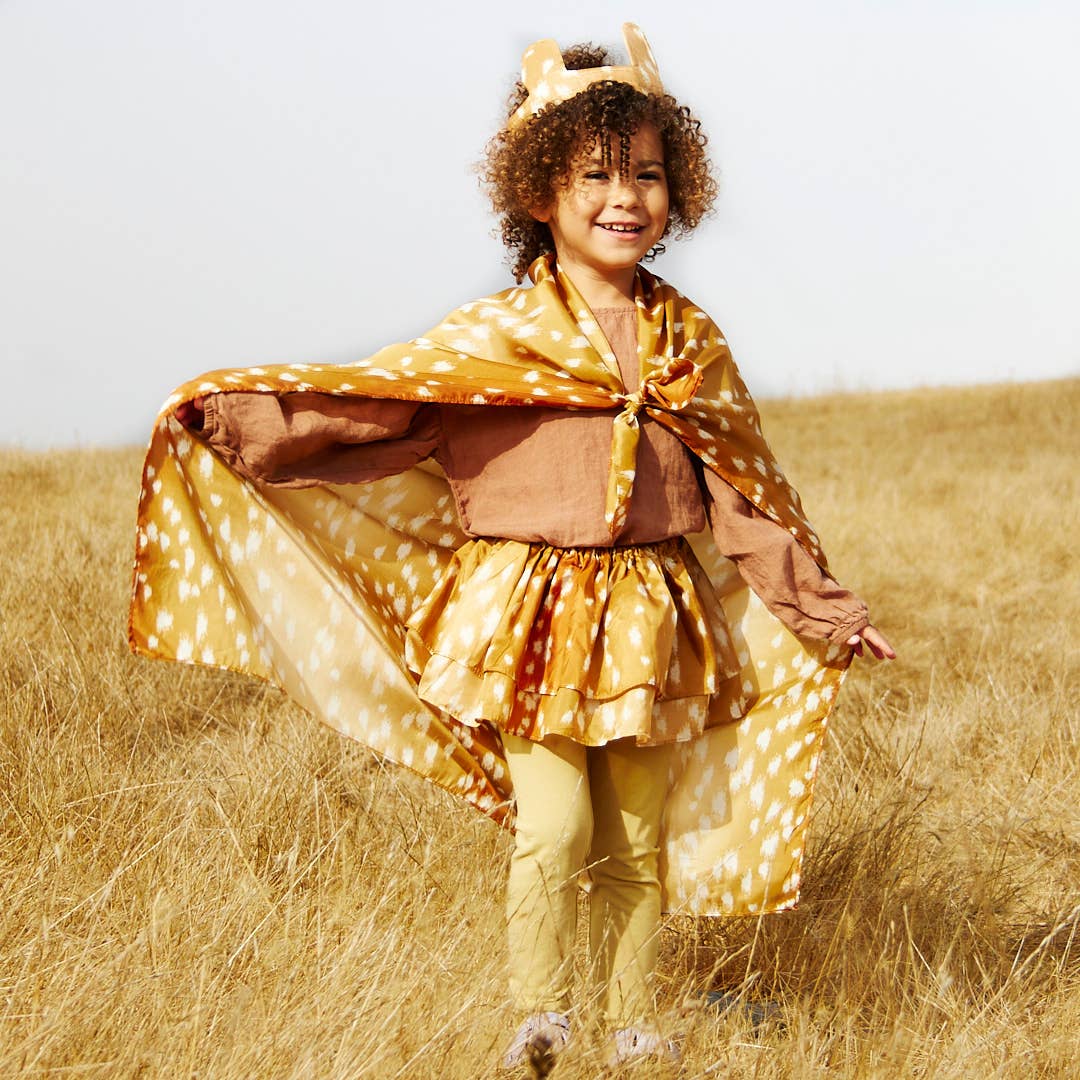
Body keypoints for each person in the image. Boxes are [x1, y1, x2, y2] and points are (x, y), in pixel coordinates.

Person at [131, 24, 894, 1071]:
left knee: (635, 840)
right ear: (539, 191)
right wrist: (237, 422)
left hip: (649, 618)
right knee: (554, 826)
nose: (625, 198)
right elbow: (374, 408)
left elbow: (744, 497)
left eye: (647, 175)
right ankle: (542, 1016)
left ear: (677, 191)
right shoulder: (496, 339)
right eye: (596, 176)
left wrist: (827, 611)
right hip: (528, 617)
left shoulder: (690, 344)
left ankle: (631, 1026)